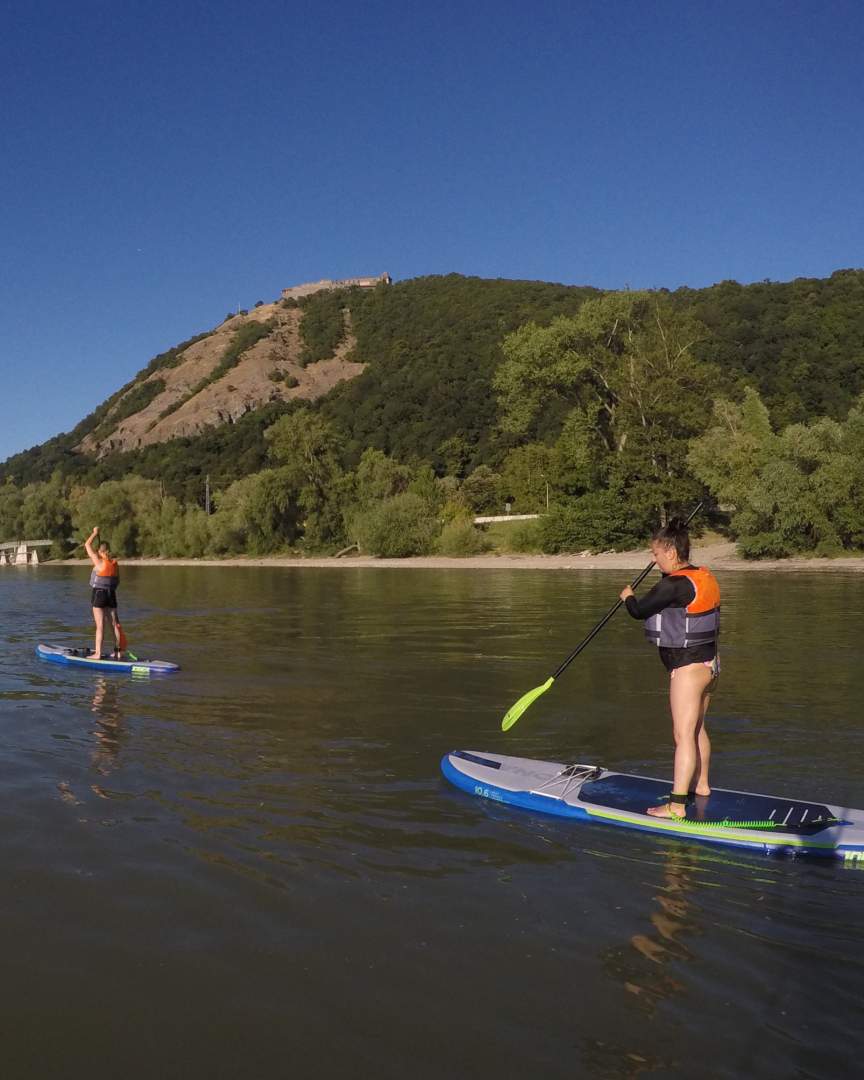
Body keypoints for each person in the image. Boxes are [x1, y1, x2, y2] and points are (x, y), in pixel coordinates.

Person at [619, 518, 721, 819]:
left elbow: (639, 611)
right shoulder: (703, 575)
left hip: (688, 669)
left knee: (682, 735)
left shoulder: (673, 584)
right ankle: (701, 784)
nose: (653, 559)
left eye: (656, 553)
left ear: (671, 553)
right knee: (698, 727)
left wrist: (628, 597)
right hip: (711, 665)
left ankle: (676, 806)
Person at [84, 526, 122, 659]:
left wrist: (94, 533)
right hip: (111, 595)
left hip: (99, 595)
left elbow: (87, 544)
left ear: (100, 551)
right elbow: (117, 581)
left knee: (100, 626)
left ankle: (98, 654)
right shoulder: (115, 563)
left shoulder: (98, 560)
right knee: (114, 625)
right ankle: (118, 652)